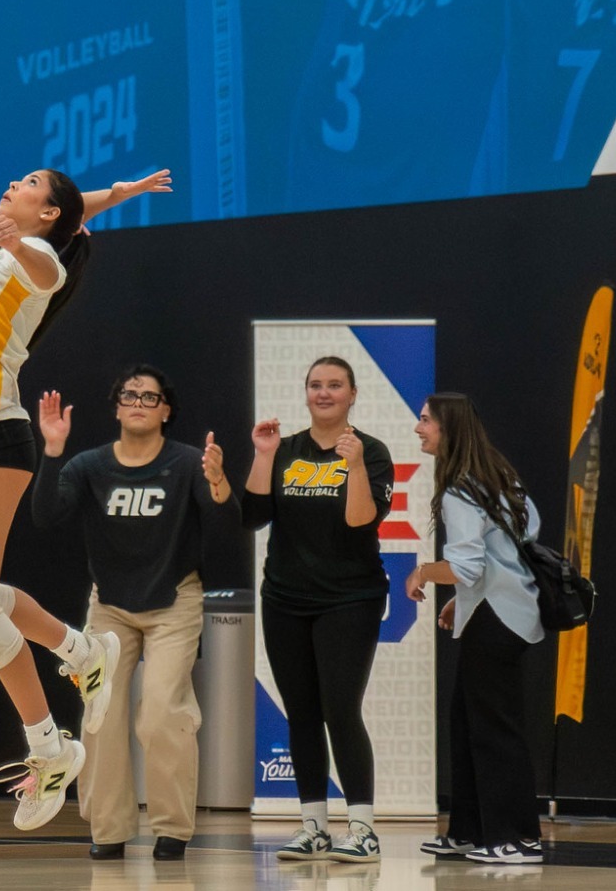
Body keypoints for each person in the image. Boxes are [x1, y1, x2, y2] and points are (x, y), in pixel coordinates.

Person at [0, 167, 170, 831]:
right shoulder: (21, 244)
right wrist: (120, 194)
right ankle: (81, 650)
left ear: (49, 214)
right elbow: (72, 212)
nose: (12, 181)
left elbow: (44, 258)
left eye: (28, 182)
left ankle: (50, 746)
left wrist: (16, 239)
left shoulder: (38, 261)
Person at [33, 364, 239, 861]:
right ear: (117, 406)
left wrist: (218, 483)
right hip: (110, 606)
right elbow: (46, 517)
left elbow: (227, 527)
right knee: (100, 716)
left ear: (166, 410)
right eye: (130, 395)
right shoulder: (89, 466)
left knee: (163, 712)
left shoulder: (188, 463)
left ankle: (172, 829)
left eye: (150, 397)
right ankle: (108, 830)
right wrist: (53, 450)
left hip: (174, 600)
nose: (139, 403)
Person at [243, 355, 395, 863]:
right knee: (302, 713)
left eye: (334, 385)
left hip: (350, 598)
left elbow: (360, 522)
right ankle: (314, 828)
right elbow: (253, 516)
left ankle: (363, 830)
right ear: (306, 393)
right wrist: (263, 455)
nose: (323, 393)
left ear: (353, 395)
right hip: (284, 599)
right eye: (315, 385)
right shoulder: (284, 449)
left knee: (340, 709)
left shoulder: (371, 451)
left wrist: (354, 466)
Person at [407, 393, 545, 865]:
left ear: (448, 428)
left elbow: (465, 566)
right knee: (466, 723)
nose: (419, 428)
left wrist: (423, 573)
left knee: (493, 730)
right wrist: (462, 601)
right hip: (504, 612)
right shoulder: (499, 476)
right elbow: (521, 537)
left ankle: (517, 838)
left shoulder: (460, 489)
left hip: (497, 618)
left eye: (426, 420)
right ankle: (468, 831)